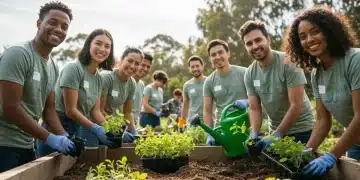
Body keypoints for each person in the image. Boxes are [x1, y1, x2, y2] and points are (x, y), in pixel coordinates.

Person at [283, 6, 360, 176]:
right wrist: (306, 151)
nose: (309, 40)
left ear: (329, 31)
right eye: (302, 37)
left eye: (315, 32)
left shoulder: (355, 60)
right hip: (355, 143)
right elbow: (322, 122)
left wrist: (331, 155)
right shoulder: (317, 74)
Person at [0, 1, 75, 172]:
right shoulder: (19, 54)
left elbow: (48, 109)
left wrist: (63, 135)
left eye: (64, 27)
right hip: (4, 145)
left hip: (27, 144)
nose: (58, 29)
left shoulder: (53, 66)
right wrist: (49, 138)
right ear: (39, 23)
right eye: (52, 22)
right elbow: (10, 107)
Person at [236, 20, 315, 150]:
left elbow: (296, 106)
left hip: (302, 131)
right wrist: (254, 133)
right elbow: (254, 108)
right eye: (249, 43)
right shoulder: (250, 73)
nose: (255, 46)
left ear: (268, 39)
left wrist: (277, 135)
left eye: (258, 40)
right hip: (275, 132)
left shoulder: (290, 62)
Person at [37, 28, 115, 155]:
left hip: (78, 127)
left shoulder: (99, 78)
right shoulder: (74, 68)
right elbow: (70, 110)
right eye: (98, 43)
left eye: (107, 46)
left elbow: (95, 111)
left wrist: (108, 129)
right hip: (57, 127)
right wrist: (96, 129)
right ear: (89, 44)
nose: (102, 49)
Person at [203, 39, 248, 145]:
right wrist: (210, 134)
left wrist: (248, 101)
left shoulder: (245, 73)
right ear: (210, 59)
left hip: (244, 126)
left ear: (228, 54)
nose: (217, 57)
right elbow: (207, 111)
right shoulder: (209, 81)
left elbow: (258, 98)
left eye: (220, 52)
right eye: (213, 55)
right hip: (222, 129)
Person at [100, 47, 143, 143]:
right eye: (130, 61)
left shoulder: (132, 83)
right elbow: (100, 110)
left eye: (137, 64)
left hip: (114, 129)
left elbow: (127, 113)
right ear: (122, 59)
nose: (132, 66)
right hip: (99, 126)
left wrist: (134, 132)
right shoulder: (107, 78)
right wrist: (118, 131)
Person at [181, 56, 207, 124]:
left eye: (197, 66)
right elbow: (185, 105)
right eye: (192, 67)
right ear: (189, 69)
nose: (195, 69)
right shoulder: (187, 85)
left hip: (208, 122)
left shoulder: (209, 81)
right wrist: (182, 123)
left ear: (202, 66)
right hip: (192, 123)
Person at [132, 52, 153, 125]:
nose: (145, 69)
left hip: (133, 125)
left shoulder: (141, 84)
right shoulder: (126, 81)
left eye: (148, 67)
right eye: (143, 65)